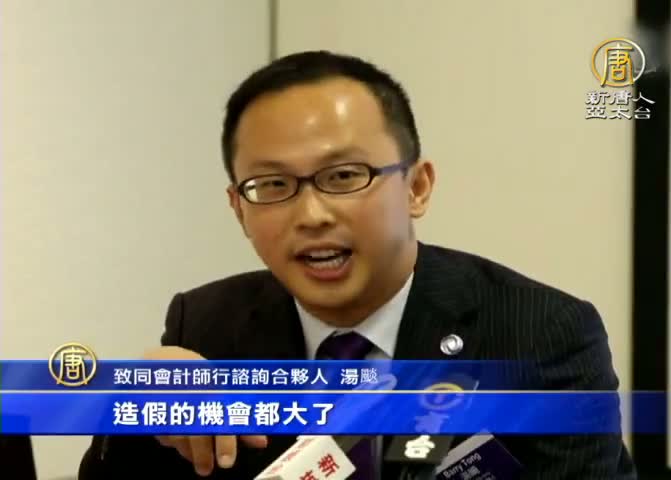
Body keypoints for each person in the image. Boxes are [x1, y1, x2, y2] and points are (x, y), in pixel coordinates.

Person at [78, 50, 636, 479]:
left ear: (417, 187)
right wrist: (134, 413)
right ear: (239, 208)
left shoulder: (542, 336)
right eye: (272, 185)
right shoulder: (207, 326)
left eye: (344, 176)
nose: (311, 215)